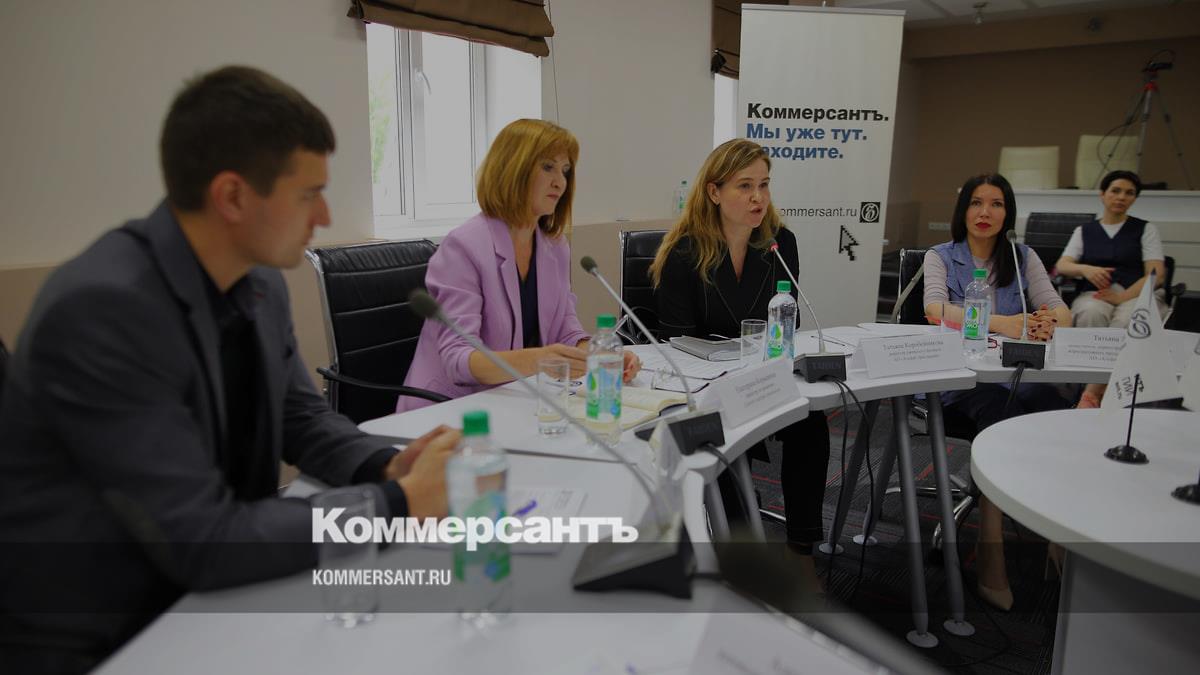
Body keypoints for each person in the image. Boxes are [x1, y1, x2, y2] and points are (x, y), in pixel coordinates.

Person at [0, 66, 459, 673]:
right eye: (308, 194)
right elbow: (204, 538)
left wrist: (383, 464)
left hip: (213, 594)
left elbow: (301, 416)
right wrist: (394, 504)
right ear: (233, 196)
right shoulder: (102, 310)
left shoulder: (258, 278)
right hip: (104, 635)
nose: (324, 215)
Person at [649, 139, 830, 576]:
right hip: (707, 386)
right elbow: (675, 341)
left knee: (812, 424)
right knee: (725, 437)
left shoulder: (780, 243)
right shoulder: (684, 253)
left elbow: (787, 322)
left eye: (764, 185)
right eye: (744, 186)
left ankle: (802, 551)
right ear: (714, 192)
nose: (758, 198)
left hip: (764, 376)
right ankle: (739, 561)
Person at [399, 119, 639, 411]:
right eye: (548, 167)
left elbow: (565, 329)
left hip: (515, 400)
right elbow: (458, 360)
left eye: (565, 170)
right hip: (448, 409)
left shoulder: (554, 247)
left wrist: (601, 355)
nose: (560, 182)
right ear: (513, 169)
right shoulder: (464, 246)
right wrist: (540, 359)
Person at [923, 173, 1072, 610]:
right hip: (959, 379)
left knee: (1058, 408)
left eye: (996, 204)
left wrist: (1048, 322)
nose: (985, 212)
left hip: (1015, 374)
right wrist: (1002, 323)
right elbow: (934, 308)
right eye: (976, 203)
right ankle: (991, 545)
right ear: (963, 210)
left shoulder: (1023, 257)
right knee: (1001, 409)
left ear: (1008, 212)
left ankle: (1059, 534)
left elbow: (1059, 309)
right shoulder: (941, 256)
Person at [1054, 170, 1167, 408]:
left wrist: (1122, 297)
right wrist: (1085, 269)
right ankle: (1092, 387)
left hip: (1135, 293)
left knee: (1129, 319)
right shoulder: (1084, 231)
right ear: (1102, 194)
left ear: (1135, 198)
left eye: (1129, 193)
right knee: (1089, 312)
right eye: (1116, 191)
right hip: (1096, 294)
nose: (1121, 197)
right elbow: (1062, 265)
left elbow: (1156, 274)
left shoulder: (1146, 229)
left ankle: (1092, 393)